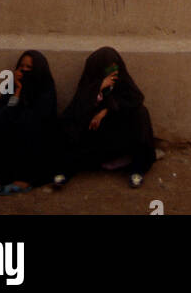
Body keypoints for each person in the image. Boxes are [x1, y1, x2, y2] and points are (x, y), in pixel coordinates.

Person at [54, 47, 156, 188]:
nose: (113, 71)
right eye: (108, 68)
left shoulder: (122, 81)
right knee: (70, 123)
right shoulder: (90, 85)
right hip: (96, 138)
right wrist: (98, 87)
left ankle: (137, 169)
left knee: (141, 113)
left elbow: (135, 99)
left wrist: (105, 111)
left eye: (115, 67)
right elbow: (77, 108)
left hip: (119, 135)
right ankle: (66, 172)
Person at [0, 49, 58, 194]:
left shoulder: (46, 89)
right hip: (12, 132)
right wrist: (17, 91)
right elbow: (3, 113)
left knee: (26, 129)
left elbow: (39, 119)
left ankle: (24, 179)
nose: (24, 70)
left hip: (34, 138)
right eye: (22, 67)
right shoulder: (13, 85)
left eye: (29, 68)